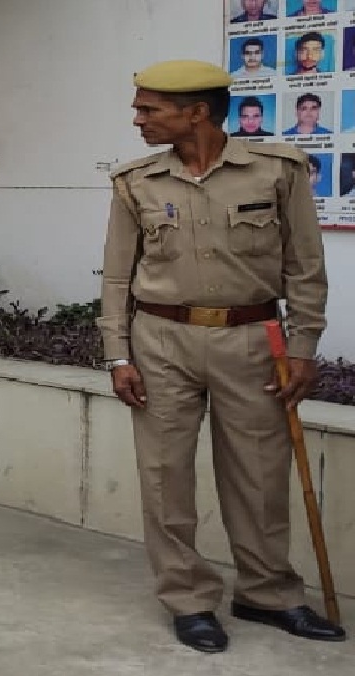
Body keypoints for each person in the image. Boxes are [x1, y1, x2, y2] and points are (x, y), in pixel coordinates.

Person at [98, 59, 345, 653]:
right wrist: (117, 355)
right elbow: (115, 277)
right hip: (160, 340)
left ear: (196, 112)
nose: (138, 120)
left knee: (260, 475)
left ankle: (266, 593)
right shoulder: (136, 181)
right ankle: (187, 599)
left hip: (253, 340)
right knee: (166, 477)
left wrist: (305, 348)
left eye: (149, 109)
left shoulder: (276, 171)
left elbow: (305, 268)